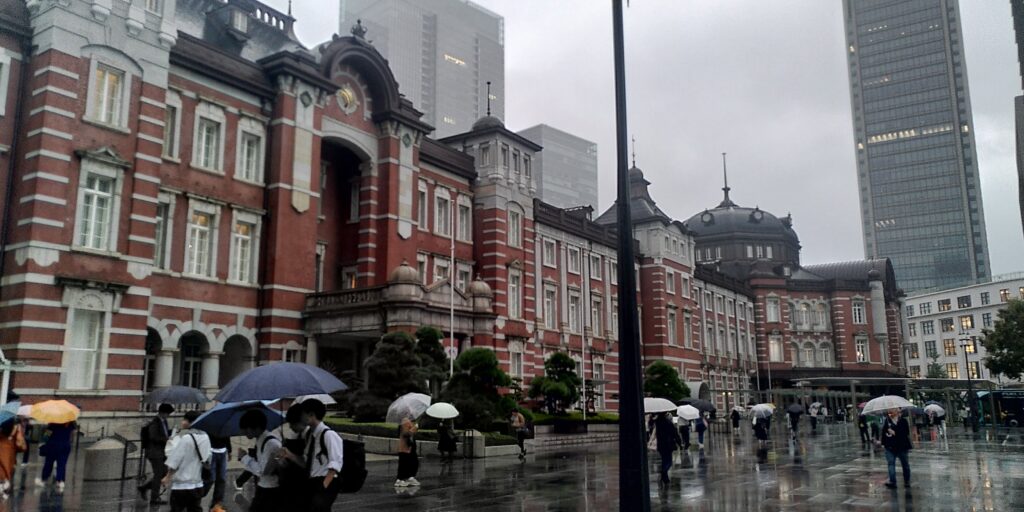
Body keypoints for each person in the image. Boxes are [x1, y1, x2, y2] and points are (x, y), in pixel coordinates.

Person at [162, 411, 211, 512]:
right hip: (197, 484)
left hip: (182, 486)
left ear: (191, 422)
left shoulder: (186, 438)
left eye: (185, 419)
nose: (182, 422)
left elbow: (175, 460)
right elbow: (207, 457)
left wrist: (168, 477)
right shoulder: (206, 437)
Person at [300, 399, 344, 511]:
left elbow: (335, 463)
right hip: (312, 482)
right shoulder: (309, 434)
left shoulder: (329, 435)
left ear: (311, 415)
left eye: (303, 414)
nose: (301, 417)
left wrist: (324, 487)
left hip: (325, 481)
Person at [237, 410, 281, 512]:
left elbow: (263, 471)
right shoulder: (260, 440)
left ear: (256, 428)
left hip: (271, 490)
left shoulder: (271, 444)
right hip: (263, 486)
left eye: (247, 430)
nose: (245, 433)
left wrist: (245, 458)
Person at [139, 403, 174, 504]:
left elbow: (164, 433)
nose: (169, 415)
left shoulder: (164, 421)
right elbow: (153, 436)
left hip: (161, 452)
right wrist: (165, 439)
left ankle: (144, 488)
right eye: (168, 413)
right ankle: (154, 498)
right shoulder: (155, 422)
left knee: (163, 473)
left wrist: (172, 432)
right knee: (158, 474)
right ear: (163, 413)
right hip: (154, 452)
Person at [35, 421, 75, 492]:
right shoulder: (70, 423)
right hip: (65, 445)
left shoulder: (54, 423)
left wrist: (42, 442)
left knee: (48, 463)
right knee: (62, 464)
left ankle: (44, 479)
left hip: (53, 445)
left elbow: (46, 435)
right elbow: (71, 435)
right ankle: (60, 481)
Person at [880, 408, 912, 489]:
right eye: (889, 410)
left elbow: (906, 433)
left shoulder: (903, 421)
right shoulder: (887, 421)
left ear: (897, 411)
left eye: (893, 410)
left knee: (905, 465)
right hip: (890, 447)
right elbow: (884, 433)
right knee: (891, 464)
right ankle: (892, 481)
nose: (890, 411)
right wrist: (883, 443)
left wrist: (895, 432)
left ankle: (907, 481)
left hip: (902, 447)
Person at [649, 412, 680, 484]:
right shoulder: (668, 423)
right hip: (668, 444)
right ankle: (664, 472)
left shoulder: (657, 423)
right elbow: (674, 433)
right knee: (668, 461)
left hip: (660, 444)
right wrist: (679, 442)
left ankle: (665, 476)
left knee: (664, 459)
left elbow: (653, 430)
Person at [0, 420, 26, 497]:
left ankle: (3, 485)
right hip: (10, 451)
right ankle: (5, 485)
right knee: (8, 469)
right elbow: (20, 442)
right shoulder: (16, 425)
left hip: (2, 448)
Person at [208, 434, 231, 512]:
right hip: (211, 451)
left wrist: (229, 450)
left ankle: (217, 503)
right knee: (210, 478)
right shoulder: (209, 424)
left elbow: (227, 436)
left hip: (222, 451)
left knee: (221, 478)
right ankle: (197, 495)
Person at [395, 417, 419, 487]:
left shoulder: (408, 421)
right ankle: (400, 480)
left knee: (412, 463)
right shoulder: (405, 421)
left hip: (409, 447)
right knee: (404, 464)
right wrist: (414, 428)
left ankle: (409, 477)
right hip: (405, 447)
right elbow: (406, 434)